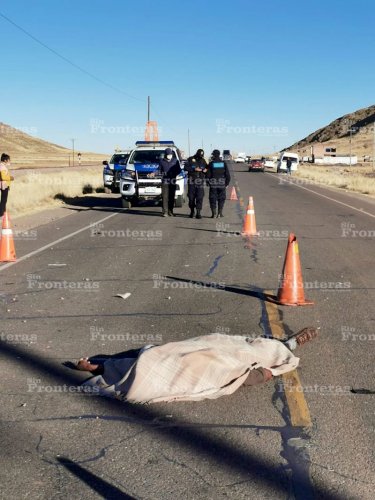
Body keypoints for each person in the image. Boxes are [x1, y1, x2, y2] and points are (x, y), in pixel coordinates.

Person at [75, 327, 318, 404]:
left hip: (231, 361)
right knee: (157, 356)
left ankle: (291, 344)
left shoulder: (260, 365)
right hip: (210, 362)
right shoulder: (254, 370)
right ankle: (105, 368)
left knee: (247, 355)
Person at [207, 149, 231, 218]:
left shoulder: (211, 163)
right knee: (221, 199)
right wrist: (226, 184)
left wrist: (208, 183)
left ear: (213, 155)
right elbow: (228, 175)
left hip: (213, 184)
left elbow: (208, 175)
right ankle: (220, 213)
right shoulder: (223, 163)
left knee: (212, 198)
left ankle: (213, 213)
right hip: (222, 184)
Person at [158, 148, 181, 217]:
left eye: (170, 154)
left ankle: (170, 211)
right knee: (165, 197)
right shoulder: (162, 161)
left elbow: (179, 170)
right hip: (165, 181)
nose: (169, 155)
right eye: (168, 154)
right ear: (165, 155)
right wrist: (154, 173)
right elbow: (159, 170)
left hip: (173, 181)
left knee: (171, 197)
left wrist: (174, 174)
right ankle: (165, 212)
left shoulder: (175, 161)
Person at [185, 149, 208, 219]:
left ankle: (198, 213)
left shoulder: (203, 160)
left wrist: (206, 170)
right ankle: (192, 211)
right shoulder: (190, 159)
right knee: (191, 198)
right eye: (200, 155)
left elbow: (207, 167)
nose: (201, 157)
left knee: (199, 197)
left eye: (202, 156)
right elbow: (185, 168)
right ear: (197, 154)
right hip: (192, 181)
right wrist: (194, 169)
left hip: (200, 181)